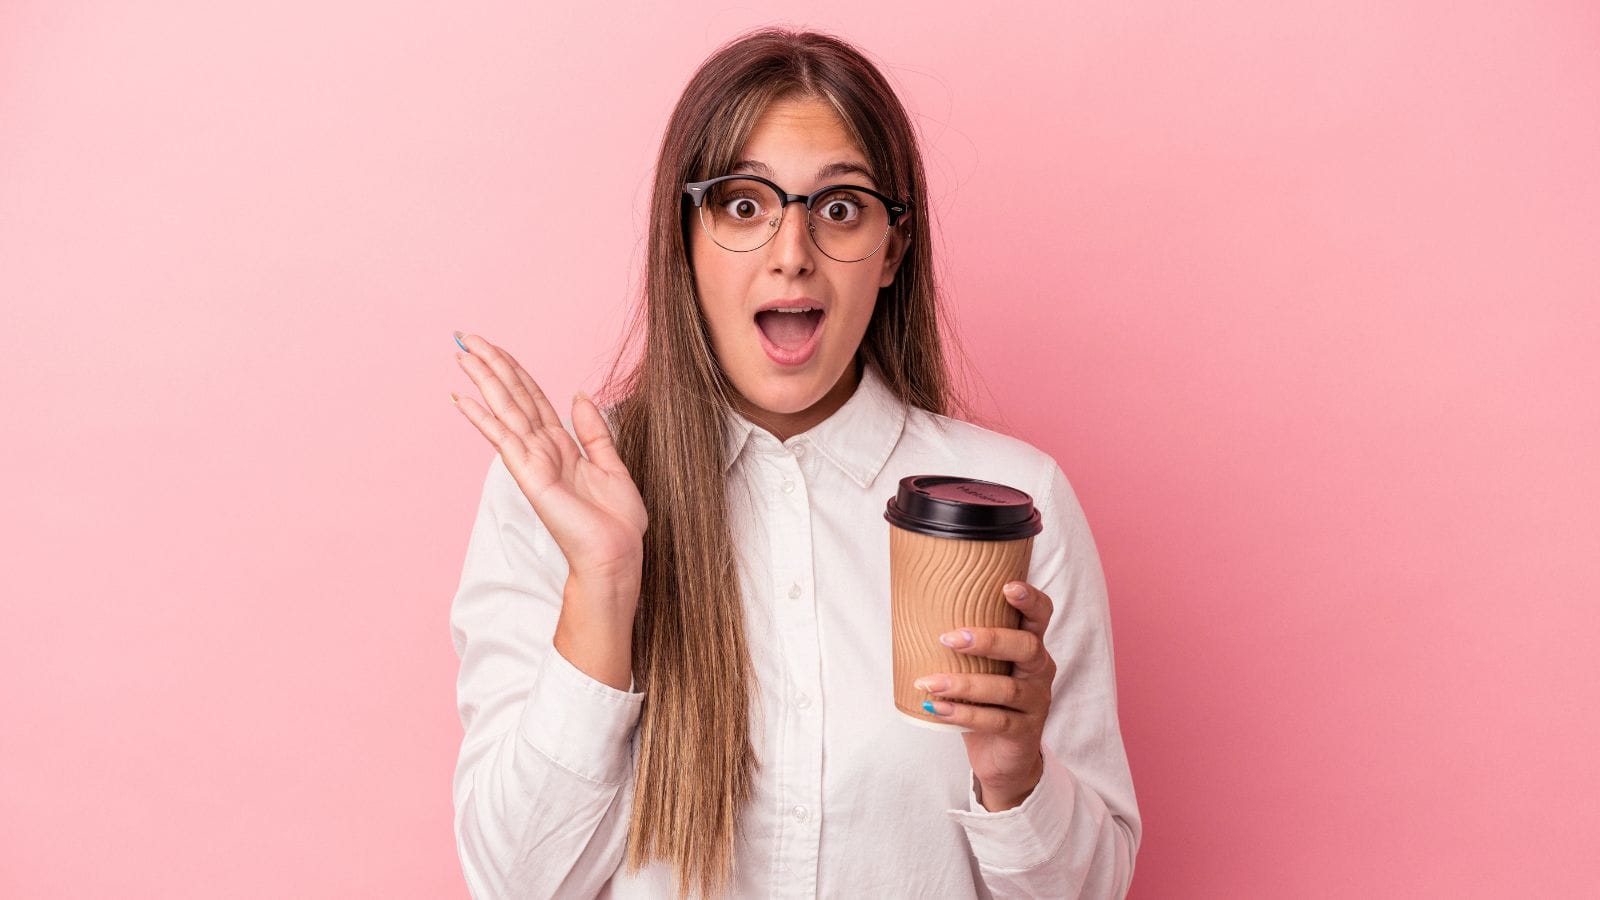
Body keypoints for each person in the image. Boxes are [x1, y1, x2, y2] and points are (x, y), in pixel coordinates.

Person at [447, 26, 1141, 900]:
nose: (791, 251)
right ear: (684, 239)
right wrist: (604, 582)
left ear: (893, 250)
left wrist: (1016, 778)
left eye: (840, 208)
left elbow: (1094, 888)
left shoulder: (1017, 501)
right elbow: (513, 883)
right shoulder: (561, 500)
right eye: (745, 205)